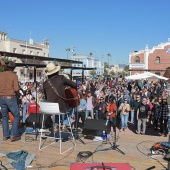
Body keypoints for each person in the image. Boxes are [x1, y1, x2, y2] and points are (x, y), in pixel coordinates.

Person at [43, 62, 77, 132]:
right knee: (71, 107)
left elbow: (46, 97)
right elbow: (74, 85)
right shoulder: (61, 78)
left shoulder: (45, 83)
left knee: (56, 109)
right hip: (60, 107)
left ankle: (56, 125)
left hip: (50, 108)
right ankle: (65, 124)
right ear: (56, 71)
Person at [0, 61, 21, 141]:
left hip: (1, 97)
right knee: (17, 115)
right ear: (13, 68)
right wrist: (18, 95)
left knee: (4, 117)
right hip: (10, 97)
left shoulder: (0, 74)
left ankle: (5, 135)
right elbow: (16, 89)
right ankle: (13, 135)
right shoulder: (14, 75)